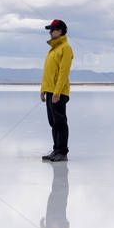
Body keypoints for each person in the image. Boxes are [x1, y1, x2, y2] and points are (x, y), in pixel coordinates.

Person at [40, 18, 73, 162]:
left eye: (52, 30)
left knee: (60, 122)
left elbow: (63, 73)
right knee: (53, 122)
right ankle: (56, 150)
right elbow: (47, 72)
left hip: (58, 93)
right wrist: (43, 90)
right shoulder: (53, 49)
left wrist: (57, 92)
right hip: (50, 92)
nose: (50, 32)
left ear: (59, 31)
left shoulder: (65, 48)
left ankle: (62, 152)